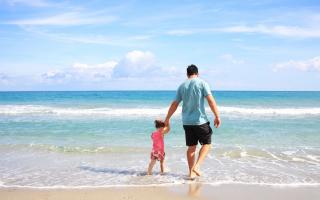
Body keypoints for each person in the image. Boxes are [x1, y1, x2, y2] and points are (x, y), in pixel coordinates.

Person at [164, 64, 221, 179]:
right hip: (200, 121)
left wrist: (167, 119)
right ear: (197, 73)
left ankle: (191, 173)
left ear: (187, 74)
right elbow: (210, 101)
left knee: (191, 148)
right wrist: (217, 116)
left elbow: (175, 104)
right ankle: (197, 166)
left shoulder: (182, 86)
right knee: (207, 144)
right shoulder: (202, 83)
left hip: (187, 122)